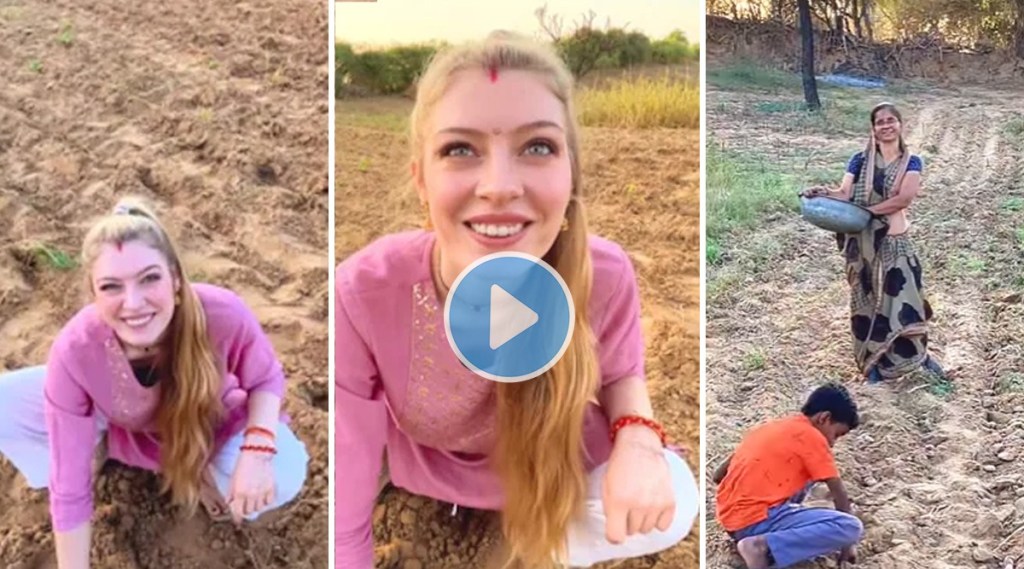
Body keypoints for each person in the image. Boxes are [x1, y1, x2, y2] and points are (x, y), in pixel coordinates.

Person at [334, 31, 698, 568]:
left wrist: (640, 445)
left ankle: (528, 548)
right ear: (421, 181)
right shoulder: (366, 290)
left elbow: (623, 376)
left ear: (570, 174)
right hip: (423, 464)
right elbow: (348, 458)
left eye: (537, 147)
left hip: (553, 464)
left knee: (676, 499)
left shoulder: (606, 274)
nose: (499, 185)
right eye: (460, 149)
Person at [0, 197, 309, 569]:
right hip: (117, 417)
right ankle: (99, 442)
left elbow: (266, 378)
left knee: (285, 470)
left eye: (149, 278)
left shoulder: (221, 314)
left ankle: (200, 468)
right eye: (112, 286)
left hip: (208, 426)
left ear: (176, 279)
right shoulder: (76, 349)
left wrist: (257, 453)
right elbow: (69, 489)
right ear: (93, 294)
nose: (133, 303)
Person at [801, 102, 946, 384]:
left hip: (895, 245)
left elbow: (904, 199)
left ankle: (920, 357)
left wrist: (867, 212)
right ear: (873, 128)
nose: (886, 125)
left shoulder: (910, 162)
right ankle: (873, 366)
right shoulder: (859, 160)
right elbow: (845, 193)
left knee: (907, 301)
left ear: (900, 125)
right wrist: (823, 193)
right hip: (863, 248)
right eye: (880, 122)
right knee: (866, 304)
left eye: (891, 120)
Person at [712, 383, 864, 569]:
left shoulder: (771, 428)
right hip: (757, 520)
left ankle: (767, 537)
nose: (832, 443)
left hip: (731, 522)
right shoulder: (812, 437)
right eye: (837, 434)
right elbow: (839, 494)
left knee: (801, 473)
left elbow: (718, 475)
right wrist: (848, 545)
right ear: (824, 418)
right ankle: (760, 546)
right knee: (850, 527)